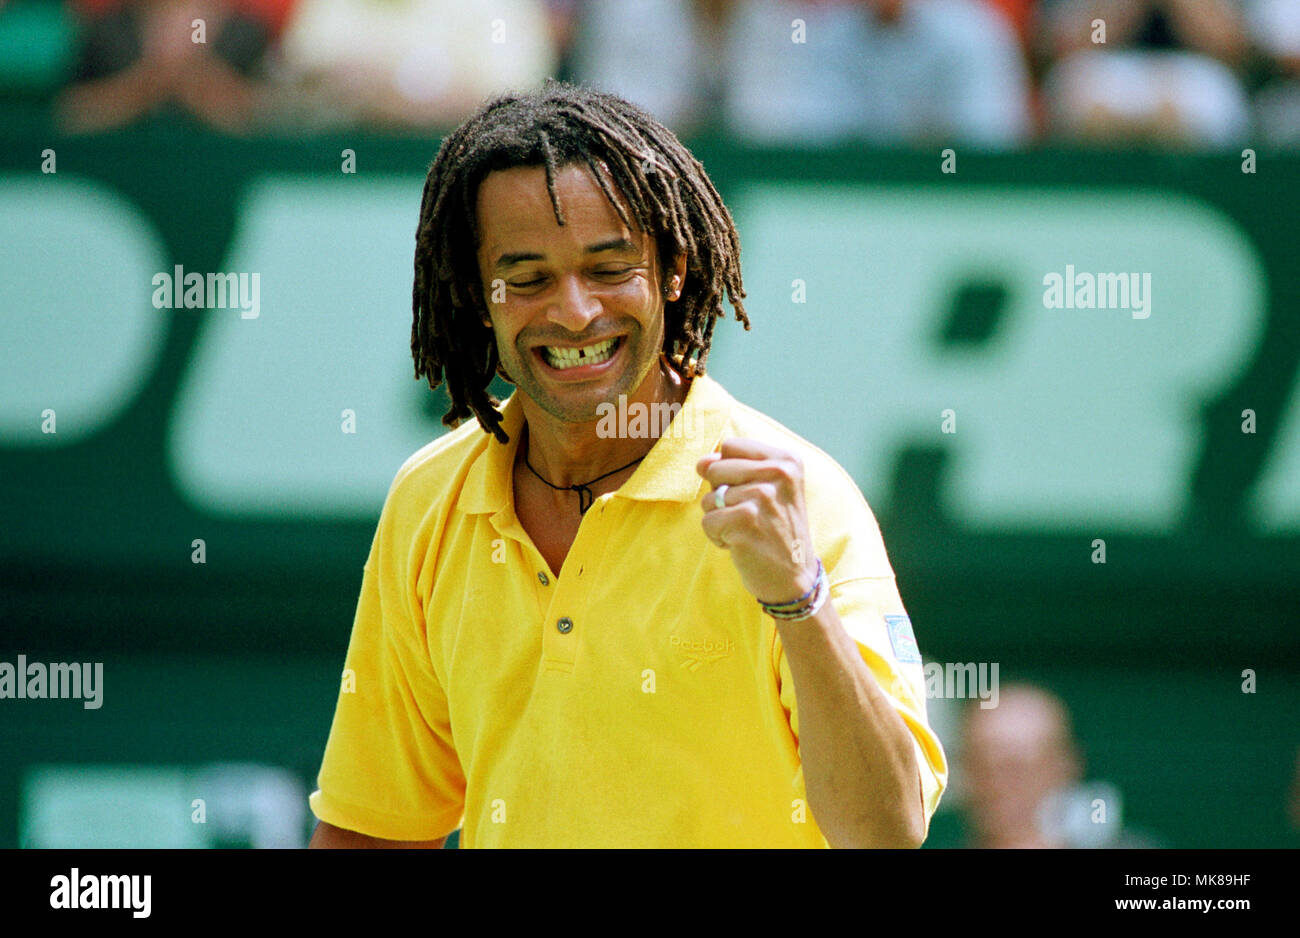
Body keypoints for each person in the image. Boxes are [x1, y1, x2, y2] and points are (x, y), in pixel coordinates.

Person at [307, 79, 946, 848]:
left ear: (672, 272)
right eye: (531, 277)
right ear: (481, 296)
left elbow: (887, 832)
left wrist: (797, 599)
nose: (575, 312)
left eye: (609, 268)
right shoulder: (428, 502)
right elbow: (374, 827)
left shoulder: (799, 503)